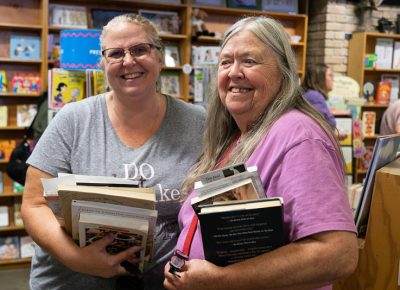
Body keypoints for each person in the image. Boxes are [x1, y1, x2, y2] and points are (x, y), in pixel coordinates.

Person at [164, 16, 358, 290]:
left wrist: (221, 280)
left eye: (250, 61)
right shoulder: (236, 136)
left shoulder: (300, 136)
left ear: (284, 72)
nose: (234, 72)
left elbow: (337, 254)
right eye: (226, 62)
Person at [21, 14, 206, 290]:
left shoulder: (199, 122)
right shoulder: (72, 120)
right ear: (104, 64)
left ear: (159, 57)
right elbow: (34, 205)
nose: (128, 61)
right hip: (71, 281)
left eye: (140, 49)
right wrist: (77, 259)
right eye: (115, 53)